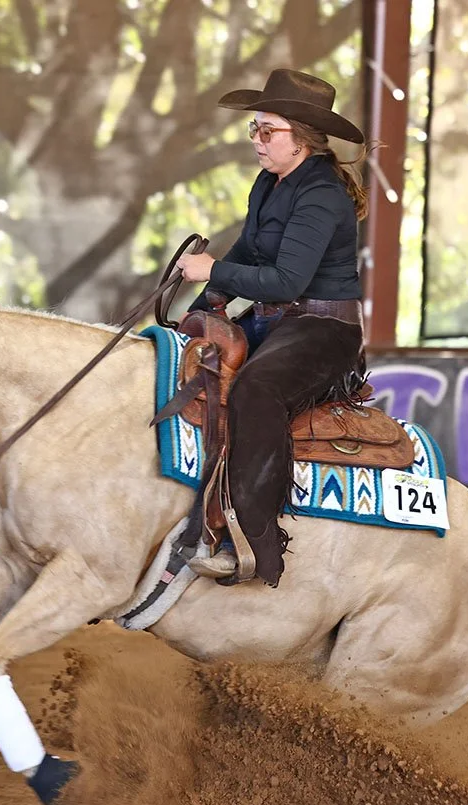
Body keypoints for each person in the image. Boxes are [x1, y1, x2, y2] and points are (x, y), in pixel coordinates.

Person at [176, 67, 372, 589]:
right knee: (181, 363)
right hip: (277, 322)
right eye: (254, 130)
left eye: (268, 131)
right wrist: (201, 310)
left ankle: (255, 542)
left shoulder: (322, 194)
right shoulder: (269, 182)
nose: (257, 141)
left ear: (301, 140)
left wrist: (212, 270)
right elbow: (248, 251)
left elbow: (286, 281)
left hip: (323, 330)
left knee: (256, 390)